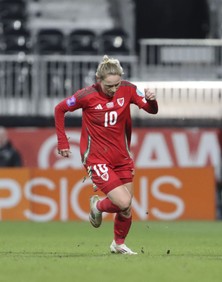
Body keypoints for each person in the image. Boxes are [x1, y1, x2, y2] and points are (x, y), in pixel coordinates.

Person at [54, 55, 158, 255]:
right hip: (97, 158)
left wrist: (152, 100)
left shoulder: (128, 89)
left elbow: (150, 110)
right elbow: (60, 108)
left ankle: (118, 244)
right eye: (109, 86)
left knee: (126, 208)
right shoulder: (86, 95)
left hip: (122, 157)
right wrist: (62, 141)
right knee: (124, 202)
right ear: (98, 80)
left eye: (116, 84)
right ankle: (98, 205)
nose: (114, 89)